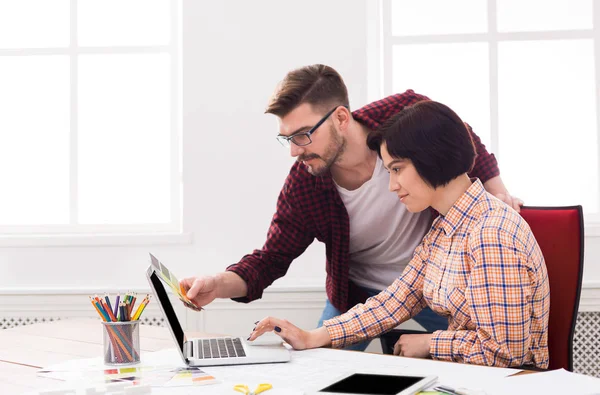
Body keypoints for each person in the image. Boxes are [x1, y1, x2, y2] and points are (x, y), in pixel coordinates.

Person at [180, 64, 523, 351]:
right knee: (316, 362)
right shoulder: (305, 184)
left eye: (302, 135)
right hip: (364, 292)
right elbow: (271, 258)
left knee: (480, 352)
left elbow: (458, 137)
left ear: (341, 117)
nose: (294, 151)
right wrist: (218, 284)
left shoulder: (404, 116)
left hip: (435, 282)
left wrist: (496, 194)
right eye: (287, 139)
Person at [248, 100, 550, 369]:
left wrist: (431, 342)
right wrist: (312, 336)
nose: (392, 186)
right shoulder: (445, 227)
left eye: (397, 169)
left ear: (432, 158)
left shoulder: (490, 234)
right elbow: (396, 300)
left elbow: (507, 353)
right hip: (467, 376)